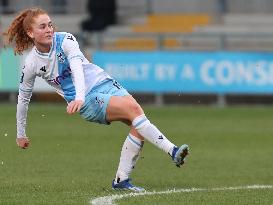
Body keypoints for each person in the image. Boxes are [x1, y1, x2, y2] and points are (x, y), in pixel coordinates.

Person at [4, 8, 189, 192]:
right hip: (88, 101)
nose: (49, 30)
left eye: (50, 25)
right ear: (30, 32)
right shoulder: (32, 63)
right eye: (42, 27)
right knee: (134, 111)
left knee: (138, 122)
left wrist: (79, 96)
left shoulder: (65, 39)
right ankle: (173, 151)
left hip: (102, 83)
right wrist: (21, 133)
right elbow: (23, 98)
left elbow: (76, 66)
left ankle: (121, 180)